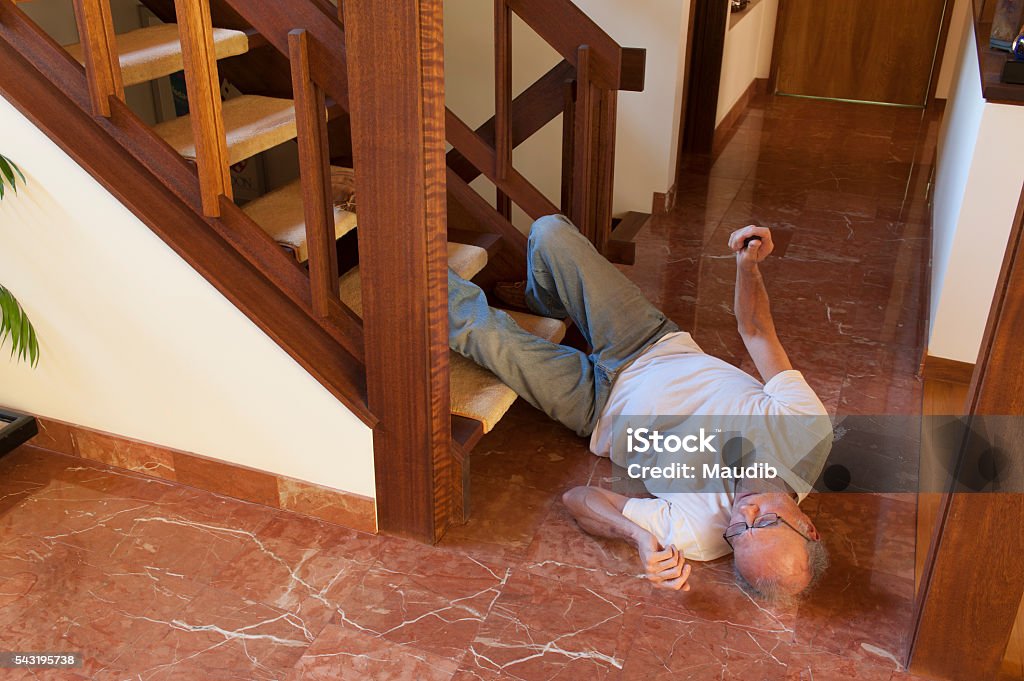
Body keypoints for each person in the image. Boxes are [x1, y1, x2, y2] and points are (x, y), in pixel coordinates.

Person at [448, 214, 832, 601]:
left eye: (739, 533)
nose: (745, 514)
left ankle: (401, 263)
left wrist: (637, 536)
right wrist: (747, 265)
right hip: (650, 342)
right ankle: (541, 300)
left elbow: (579, 499)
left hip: (595, 406)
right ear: (806, 524)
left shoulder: (698, 534)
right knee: (549, 231)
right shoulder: (807, 432)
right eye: (765, 522)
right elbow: (756, 330)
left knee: (474, 331)